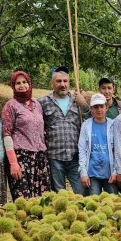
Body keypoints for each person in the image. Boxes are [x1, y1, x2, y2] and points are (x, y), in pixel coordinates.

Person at [38, 66, 89, 195]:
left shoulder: (77, 100)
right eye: (59, 81)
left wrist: (84, 104)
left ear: (69, 83)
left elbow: (90, 120)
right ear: (52, 83)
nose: (62, 84)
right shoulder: (43, 102)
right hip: (54, 156)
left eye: (65, 81)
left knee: (81, 193)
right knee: (59, 195)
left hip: (75, 155)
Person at [2, 71, 50, 200]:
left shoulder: (37, 105)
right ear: (13, 86)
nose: (22, 85)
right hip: (21, 158)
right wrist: (13, 162)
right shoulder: (10, 106)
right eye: (18, 83)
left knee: (42, 200)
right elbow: (7, 134)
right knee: (23, 199)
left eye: (24, 82)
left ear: (29, 84)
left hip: (40, 157)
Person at [79, 94, 118, 195]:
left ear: (106, 107)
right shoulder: (86, 126)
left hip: (109, 173)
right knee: (93, 203)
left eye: (101, 106)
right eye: (95, 107)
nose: (99, 109)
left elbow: (118, 150)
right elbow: (82, 150)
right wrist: (83, 173)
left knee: (113, 203)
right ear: (91, 109)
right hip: (92, 173)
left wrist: (115, 172)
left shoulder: (113, 125)